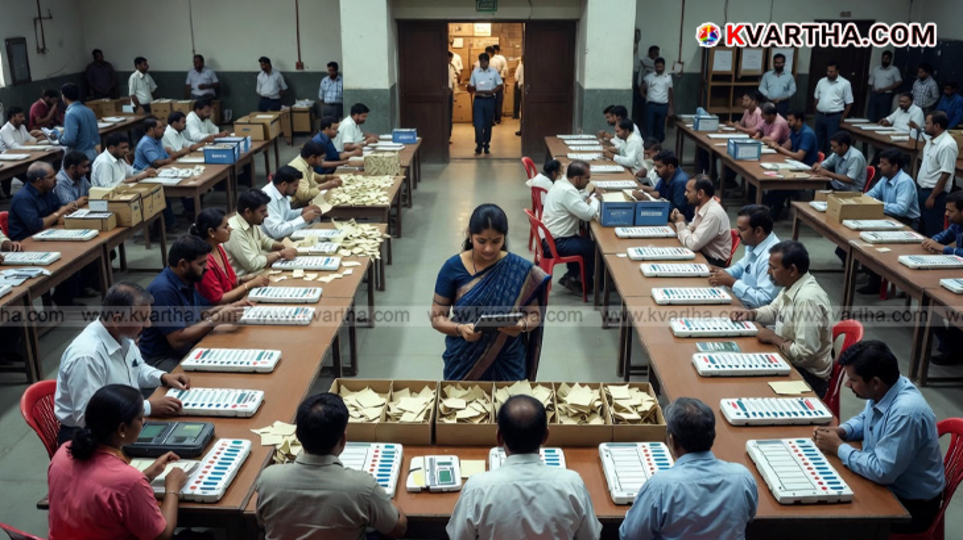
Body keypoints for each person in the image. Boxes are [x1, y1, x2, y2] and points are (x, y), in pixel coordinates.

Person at [813, 341, 945, 534]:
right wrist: (842, 431)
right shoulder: (888, 388)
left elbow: (883, 471)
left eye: (853, 380)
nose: (848, 384)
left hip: (910, 505)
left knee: (829, 519)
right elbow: (866, 418)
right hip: (888, 485)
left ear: (875, 382)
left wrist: (838, 447)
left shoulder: (906, 413)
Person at [257, 393, 408, 540]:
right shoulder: (363, 487)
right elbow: (398, 529)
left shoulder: (268, 480)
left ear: (297, 435)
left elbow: (262, 523)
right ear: (343, 439)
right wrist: (384, 499)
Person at [54, 283, 191, 444]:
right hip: (89, 438)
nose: (148, 324)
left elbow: (137, 368)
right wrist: (148, 408)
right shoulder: (86, 356)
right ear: (118, 320)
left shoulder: (122, 336)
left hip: (123, 422)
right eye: (142, 319)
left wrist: (163, 377)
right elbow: (89, 416)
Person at [447, 397, 601, 540]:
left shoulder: (477, 489)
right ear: (545, 436)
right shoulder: (573, 485)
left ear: (499, 438)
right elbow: (591, 536)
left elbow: (458, 537)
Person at [48, 385, 187, 540]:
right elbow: (162, 536)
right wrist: (173, 487)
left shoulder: (63, 452)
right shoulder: (129, 481)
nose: (143, 422)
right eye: (140, 418)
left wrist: (147, 475)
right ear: (122, 429)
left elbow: (102, 487)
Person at [432, 205, 549, 380]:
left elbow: (534, 315)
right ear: (469, 234)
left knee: (511, 398)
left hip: (508, 360)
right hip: (464, 359)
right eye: (481, 241)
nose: (489, 248)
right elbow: (437, 318)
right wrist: (460, 329)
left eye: (496, 241)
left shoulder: (519, 269)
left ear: (504, 237)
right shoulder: (452, 268)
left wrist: (521, 325)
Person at [620, 397, 757, 540]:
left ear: (672, 440)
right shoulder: (743, 478)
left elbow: (630, 536)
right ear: (713, 436)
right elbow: (749, 517)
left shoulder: (659, 488)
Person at [731, 241, 833, 397]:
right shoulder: (792, 285)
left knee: (750, 387)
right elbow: (773, 310)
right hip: (788, 359)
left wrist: (775, 338)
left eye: (773, 268)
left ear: (792, 270)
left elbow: (804, 354)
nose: (768, 272)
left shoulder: (807, 300)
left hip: (808, 377)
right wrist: (752, 314)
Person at [138, 235, 251, 371]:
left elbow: (198, 313)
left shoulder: (188, 278)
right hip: (163, 358)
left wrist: (226, 308)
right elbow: (178, 340)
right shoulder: (163, 290)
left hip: (186, 347)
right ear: (183, 265)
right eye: (201, 264)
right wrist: (216, 319)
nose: (207, 268)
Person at [542, 161, 599, 296]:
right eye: (587, 178)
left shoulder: (561, 184)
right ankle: (579, 281)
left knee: (584, 241)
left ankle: (572, 275)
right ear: (578, 179)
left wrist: (587, 193)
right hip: (558, 242)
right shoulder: (568, 191)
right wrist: (596, 200)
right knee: (595, 249)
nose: (589, 181)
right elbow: (588, 215)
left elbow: (575, 201)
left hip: (551, 238)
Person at [190, 208, 270, 305]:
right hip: (218, 309)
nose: (230, 229)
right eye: (225, 227)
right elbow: (219, 299)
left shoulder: (219, 248)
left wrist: (244, 279)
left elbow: (230, 280)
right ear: (211, 232)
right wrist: (249, 285)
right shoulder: (204, 261)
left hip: (231, 303)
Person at [709, 204, 780, 309]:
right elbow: (741, 267)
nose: (737, 233)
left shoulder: (770, 259)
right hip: (743, 303)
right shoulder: (755, 242)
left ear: (758, 231)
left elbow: (764, 301)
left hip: (755, 313)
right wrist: (721, 273)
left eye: (742, 230)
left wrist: (732, 283)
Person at [922, 191, 963, 364]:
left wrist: (943, 249)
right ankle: (949, 345)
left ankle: (953, 350)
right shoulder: (957, 224)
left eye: (951, 211)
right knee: (929, 305)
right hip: (956, 273)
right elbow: (945, 236)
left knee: (949, 310)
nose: (946, 214)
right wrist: (933, 241)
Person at [224, 189, 298, 277]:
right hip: (246, 279)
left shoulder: (251, 221)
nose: (267, 215)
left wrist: (282, 246)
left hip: (259, 272)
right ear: (248, 212)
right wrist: (280, 254)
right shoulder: (235, 231)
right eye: (263, 212)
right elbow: (252, 264)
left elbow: (264, 240)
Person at [671, 175, 732, 268]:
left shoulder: (713, 214)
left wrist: (680, 224)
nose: (685, 194)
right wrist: (680, 222)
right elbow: (690, 228)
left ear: (700, 194)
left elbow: (692, 244)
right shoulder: (701, 206)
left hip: (713, 262)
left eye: (688, 191)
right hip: (701, 252)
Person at [9, 162, 77, 241]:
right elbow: (37, 226)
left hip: (46, 232)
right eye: (50, 177)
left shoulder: (47, 190)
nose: (55, 179)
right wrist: (58, 213)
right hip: (26, 240)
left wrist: (61, 214)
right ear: (39, 181)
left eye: (54, 175)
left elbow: (59, 207)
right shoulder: (23, 198)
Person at [916, 111, 959, 236]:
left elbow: (946, 174)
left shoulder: (947, 145)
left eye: (927, 123)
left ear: (937, 126)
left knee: (933, 230)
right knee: (921, 229)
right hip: (923, 190)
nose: (925, 126)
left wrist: (933, 196)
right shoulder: (931, 140)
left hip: (935, 194)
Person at [261, 165, 322, 240]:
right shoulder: (268, 198)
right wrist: (303, 218)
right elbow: (277, 231)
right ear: (284, 184)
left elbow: (286, 215)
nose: (297, 188)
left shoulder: (282, 191)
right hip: (270, 240)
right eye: (295, 185)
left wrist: (302, 211)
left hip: (282, 235)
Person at [638, 150, 692, 221]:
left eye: (659, 167)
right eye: (655, 166)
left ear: (670, 167)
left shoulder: (680, 182)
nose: (655, 169)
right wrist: (641, 190)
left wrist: (647, 199)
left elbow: (677, 209)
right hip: (666, 212)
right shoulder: (666, 174)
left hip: (681, 219)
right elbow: (657, 192)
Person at [813, 61, 854, 154]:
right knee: (818, 140)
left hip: (834, 117)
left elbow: (849, 102)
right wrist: (816, 112)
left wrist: (843, 116)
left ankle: (829, 160)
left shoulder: (845, 83)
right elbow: (816, 98)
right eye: (828, 71)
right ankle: (818, 159)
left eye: (831, 72)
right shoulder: (821, 81)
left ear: (837, 71)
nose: (829, 73)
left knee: (831, 141)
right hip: (820, 115)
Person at [287, 141, 343, 208]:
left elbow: (312, 176)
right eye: (321, 158)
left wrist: (327, 177)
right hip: (294, 204)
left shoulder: (306, 161)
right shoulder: (299, 169)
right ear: (312, 158)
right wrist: (325, 186)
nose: (322, 161)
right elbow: (304, 196)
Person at [92, 133, 157, 188]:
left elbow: (131, 173)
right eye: (123, 148)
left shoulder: (119, 158)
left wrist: (145, 172)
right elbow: (106, 188)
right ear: (111, 148)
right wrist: (134, 179)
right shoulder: (104, 162)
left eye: (127, 147)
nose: (127, 150)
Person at [468, 53, 503, 156]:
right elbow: (471, 85)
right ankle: (479, 144)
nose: (483, 64)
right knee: (478, 124)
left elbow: (500, 85)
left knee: (488, 124)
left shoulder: (494, 72)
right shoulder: (475, 72)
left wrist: (492, 91)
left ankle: (486, 144)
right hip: (478, 100)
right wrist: (471, 89)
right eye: (481, 62)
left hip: (489, 100)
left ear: (488, 62)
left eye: (484, 62)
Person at [59, 82, 100, 161]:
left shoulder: (70, 114)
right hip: (94, 154)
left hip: (79, 158)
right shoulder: (89, 110)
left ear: (64, 97)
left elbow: (69, 140)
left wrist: (59, 137)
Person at [642, 57, 673, 142]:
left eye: (661, 67)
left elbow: (670, 93)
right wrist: (647, 98)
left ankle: (657, 145)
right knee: (649, 127)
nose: (659, 69)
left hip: (663, 106)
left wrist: (670, 107)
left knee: (660, 128)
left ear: (664, 66)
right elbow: (641, 90)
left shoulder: (668, 77)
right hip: (651, 105)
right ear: (654, 67)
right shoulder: (649, 77)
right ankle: (649, 144)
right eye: (657, 67)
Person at [867, 51, 903, 122]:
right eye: (883, 58)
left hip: (886, 95)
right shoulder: (876, 69)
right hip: (875, 94)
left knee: (883, 114)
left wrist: (884, 89)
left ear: (890, 59)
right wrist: (874, 89)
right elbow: (871, 82)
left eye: (886, 59)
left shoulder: (894, 70)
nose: (884, 60)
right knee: (872, 113)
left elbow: (899, 82)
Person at [758, 53, 796, 118]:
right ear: (773, 63)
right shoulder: (767, 75)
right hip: (769, 102)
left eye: (780, 63)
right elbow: (761, 87)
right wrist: (768, 96)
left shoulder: (789, 76)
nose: (778, 65)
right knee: (767, 120)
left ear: (784, 63)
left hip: (783, 103)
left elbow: (793, 89)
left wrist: (784, 97)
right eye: (776, 63)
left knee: (782, 120)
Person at [491, 45, 509, 124]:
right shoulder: (502, 58)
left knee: (491, 99)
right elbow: (505, 70)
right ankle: (498, 118)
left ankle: (492, 118)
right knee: (499, 99)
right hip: (499, 80)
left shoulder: (491, 59)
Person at [450, 52, 458, 140]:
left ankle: (448, 135)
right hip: (445, 92)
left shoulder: (452, 66)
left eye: (451, 59)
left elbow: (458, 73)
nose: (450, 60)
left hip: (451, 91)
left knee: (449, 115)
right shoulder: (442, 67)